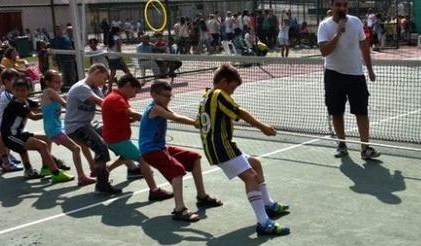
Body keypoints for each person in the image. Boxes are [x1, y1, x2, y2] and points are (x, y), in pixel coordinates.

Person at [198, 64, 290, 235]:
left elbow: (201, 122)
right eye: (232, 87)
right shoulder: (219, 94)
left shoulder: (206, 96)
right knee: (251, 177)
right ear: (224, 82)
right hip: (221, 148)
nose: (232, 92)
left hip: (220, 146)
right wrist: (262, 127)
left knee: (255, 164)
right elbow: (239, 112)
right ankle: (263, 222)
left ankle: (268, 204)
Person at [139, 80, 222, 222]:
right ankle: (179, 209)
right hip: (150, 151)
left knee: (194, 157)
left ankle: (202, 196)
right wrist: (196, 123)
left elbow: (174, 113)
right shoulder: (155, 108)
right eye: (165, 96)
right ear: (154, 95)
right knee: (177, 170)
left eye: (170, 96)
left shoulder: (161, 106)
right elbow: (175, 117)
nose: (168, 99)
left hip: (161, 148)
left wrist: (197, 121)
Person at [317, 0, 380, 160]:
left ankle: (365, 148)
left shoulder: (356, 22)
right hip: (333, 75)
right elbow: (324, 51)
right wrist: (338, 33)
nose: (342, 8)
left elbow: (364, 46)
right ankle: (342, 144)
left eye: (344, 5)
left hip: (356, 75)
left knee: (362, 112)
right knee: (336, 112)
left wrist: (370, 69)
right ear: (331, 6)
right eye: (338, 5)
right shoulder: (324, 26)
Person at [100, 74, 172, 201]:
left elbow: (123, 117)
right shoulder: (116, 99)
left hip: (114, 138)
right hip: (117, 139)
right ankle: (154, 191)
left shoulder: (115, 97)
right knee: (144, 157)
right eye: (135, 91)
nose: (135, 95)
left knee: (126, 156)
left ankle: (103, 173)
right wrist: (150, 118)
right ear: (128, 86)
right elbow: (132, 113)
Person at [0, 76, 74, 183]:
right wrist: (50, 112)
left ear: (28, 91)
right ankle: (56, 173)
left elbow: (41, 106)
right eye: (17, 90)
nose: (20, 93)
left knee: (47, 138)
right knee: (41, 145)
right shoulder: (15, 104)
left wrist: (54, 102)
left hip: (18, 134)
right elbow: (34, 117)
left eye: (23, 90)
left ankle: (45, 168)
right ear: (13, 91)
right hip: (10, 137)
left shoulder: (26, 101)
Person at [64, 64, 122, 195]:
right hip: (76, 127)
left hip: (87, 124)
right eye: (103, 79)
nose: (104, 82)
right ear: (96, 72)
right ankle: (102, 185)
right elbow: (102, 103)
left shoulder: (96, 88)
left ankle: (130, 165)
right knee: (101, 148)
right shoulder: (81, 87)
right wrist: (123, 110)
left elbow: (104, 106)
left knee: (113, 134)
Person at [40, 69, 96, 186]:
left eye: (60, 82)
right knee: (76, 149)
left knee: (82, 144)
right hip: (54, 130)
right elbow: (66, 104)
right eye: (56, 82)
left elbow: (65, 101)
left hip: (58, 127)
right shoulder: (49, 91)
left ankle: (93, 168)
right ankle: (82, 177)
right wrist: (82, 105)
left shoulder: (50, 93)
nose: (59, 84)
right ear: (47, 82)